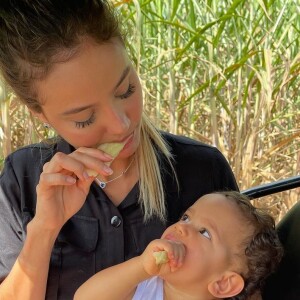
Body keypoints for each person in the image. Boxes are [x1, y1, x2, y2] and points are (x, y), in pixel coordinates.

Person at [0, 1, 238, 299]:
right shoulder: (20, 181)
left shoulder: (202, 171)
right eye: (84, 119)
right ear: (41, 115)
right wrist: (45, 228)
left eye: (126, 90)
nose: (121, 124)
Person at [74, 191, 283, 300]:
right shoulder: (145, 285)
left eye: (204, 233)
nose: (182, 228)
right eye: (185, 217)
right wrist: (140, 267)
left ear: (223, 283)